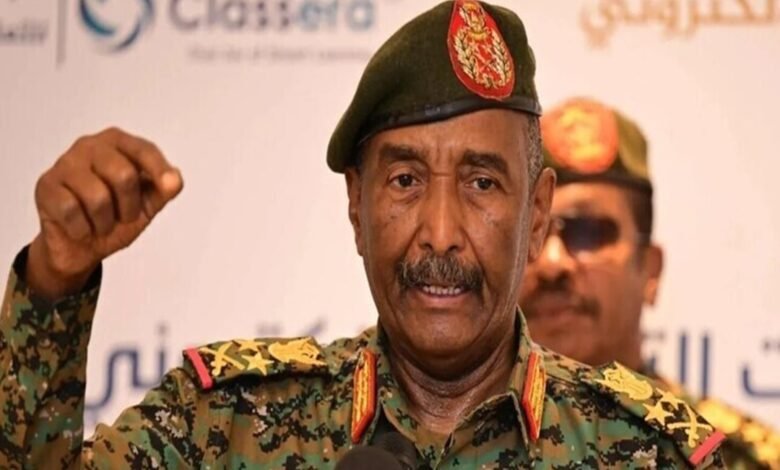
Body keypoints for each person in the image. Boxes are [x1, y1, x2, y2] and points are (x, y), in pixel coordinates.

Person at [0, 2, 727, 468]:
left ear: (537, 215)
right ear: (356, 205)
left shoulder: (652, 454)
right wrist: (56, 280)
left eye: (481, 183)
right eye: (405, 180)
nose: (439, 234)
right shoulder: (226, 424)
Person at [520, 96, 780, 469]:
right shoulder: (456, 449)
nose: (551, 262)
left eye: (589, 233)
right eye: (531, 233)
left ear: (650, 270)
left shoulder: (727, 458)